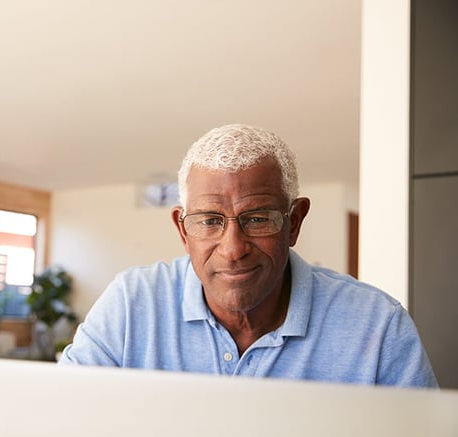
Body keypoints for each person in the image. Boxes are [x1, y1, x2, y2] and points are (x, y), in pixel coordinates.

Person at [58, 123, 437, 388]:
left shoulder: (378, 325)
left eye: (258, 219)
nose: (233, 249)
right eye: (209, 220)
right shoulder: (130, 304)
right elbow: (58, 420)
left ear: (294, 222)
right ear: (182, 229)